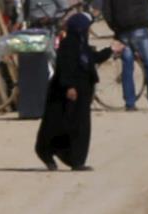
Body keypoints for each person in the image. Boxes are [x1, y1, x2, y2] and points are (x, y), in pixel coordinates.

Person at [35, 14, 112, 172]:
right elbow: (64, 66)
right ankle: (47, 152)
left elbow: (92, 59)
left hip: (83, 92)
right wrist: (69, 86)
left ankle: (77, 161)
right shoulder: (68, 44)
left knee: (81, 127)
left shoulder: (82, 45)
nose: (88, 31)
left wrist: (110, 50)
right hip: (65, 93)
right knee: (58, 124)